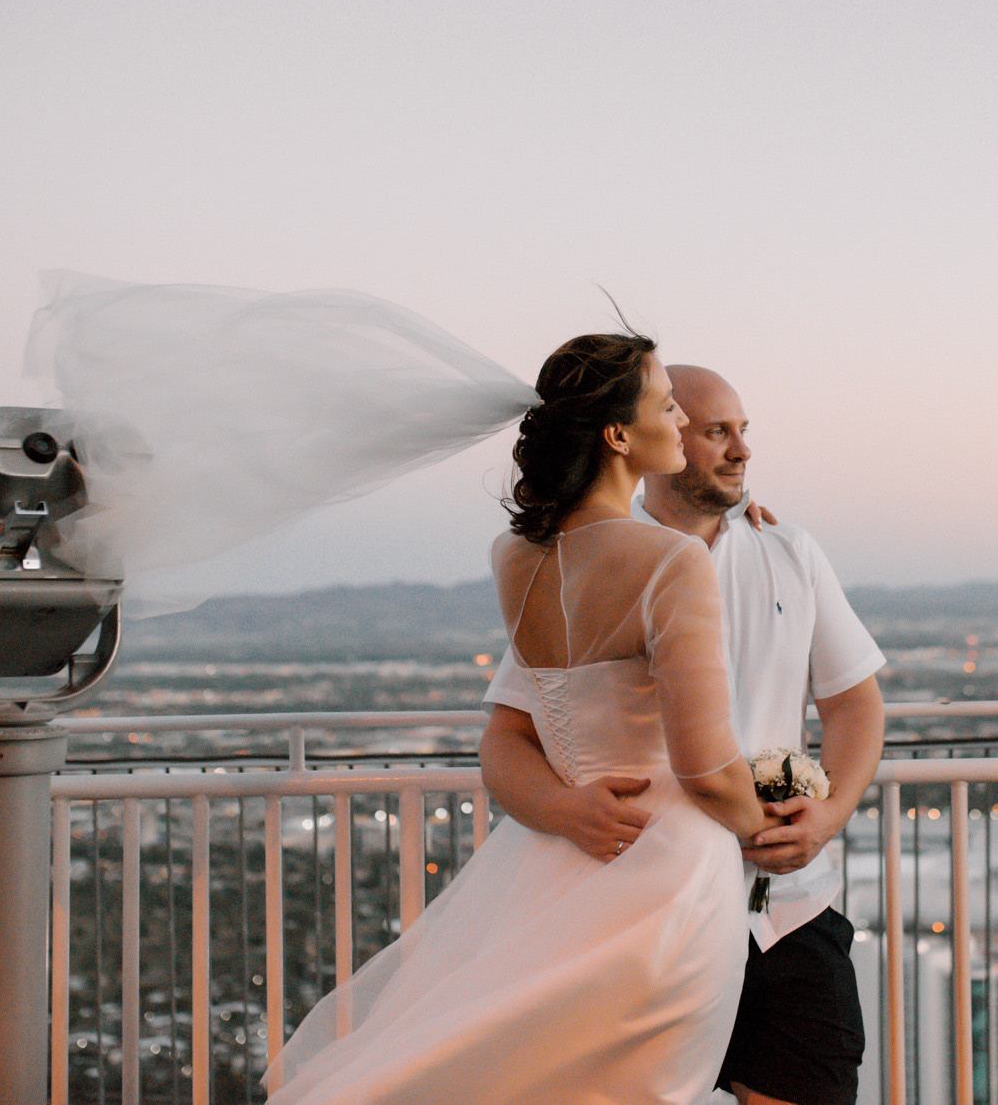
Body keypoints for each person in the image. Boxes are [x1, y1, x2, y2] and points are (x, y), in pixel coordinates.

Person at [263, 334, 773, 1105]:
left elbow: (520, 724)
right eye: (667, 403)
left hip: (553, 858)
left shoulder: (515, 555)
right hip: (666, 872)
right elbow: (705, 763)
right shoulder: (672, 561)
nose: (679, 418)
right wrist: (764, 823)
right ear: (619, 435)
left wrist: (567, 806)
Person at [479, 365, 885, 1105]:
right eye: (715, 429)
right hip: (639, 919)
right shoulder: (590, 564)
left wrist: (830, 813)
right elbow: (507, 738)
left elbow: (856, 704)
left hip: (786, 912)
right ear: (653, 435)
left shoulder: (790, 552)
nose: (742, 450)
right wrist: (564, 809)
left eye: (744, 430)